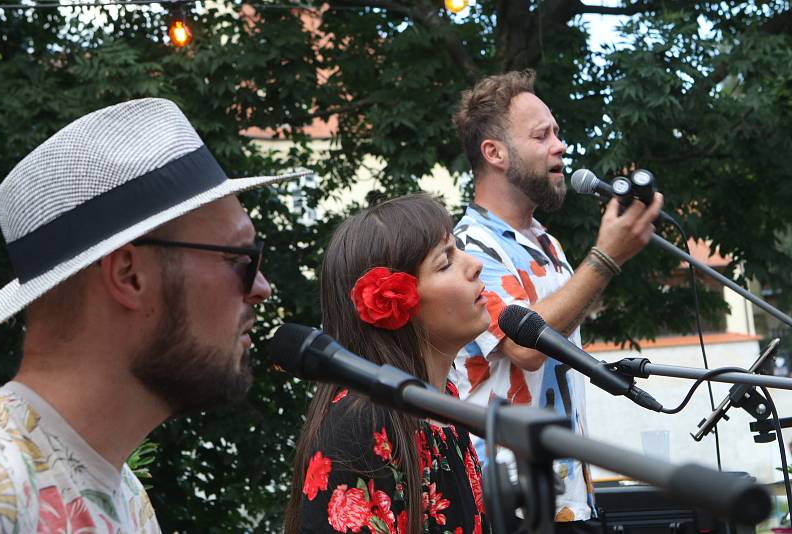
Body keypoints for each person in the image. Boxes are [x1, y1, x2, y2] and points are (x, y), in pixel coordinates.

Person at [0, 98, 307, 532]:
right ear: (129, 275)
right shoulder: (0, 485)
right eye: (241, 258)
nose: (261, 288)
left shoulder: (125, 496)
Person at [450, 70, 663, 531]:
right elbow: (526, 346)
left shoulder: (546, 243)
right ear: (495, 153)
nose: (560, 145)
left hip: (569, 497)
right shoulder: (468, 247)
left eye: (558, 132)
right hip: (509, 504)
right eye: (542, 134)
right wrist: (606, 258)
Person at [284, 194, 491, 534]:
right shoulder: (362, 420)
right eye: (445, 262)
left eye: (459, 248)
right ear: (394, 303)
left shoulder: (443, 402)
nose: (474, 264)